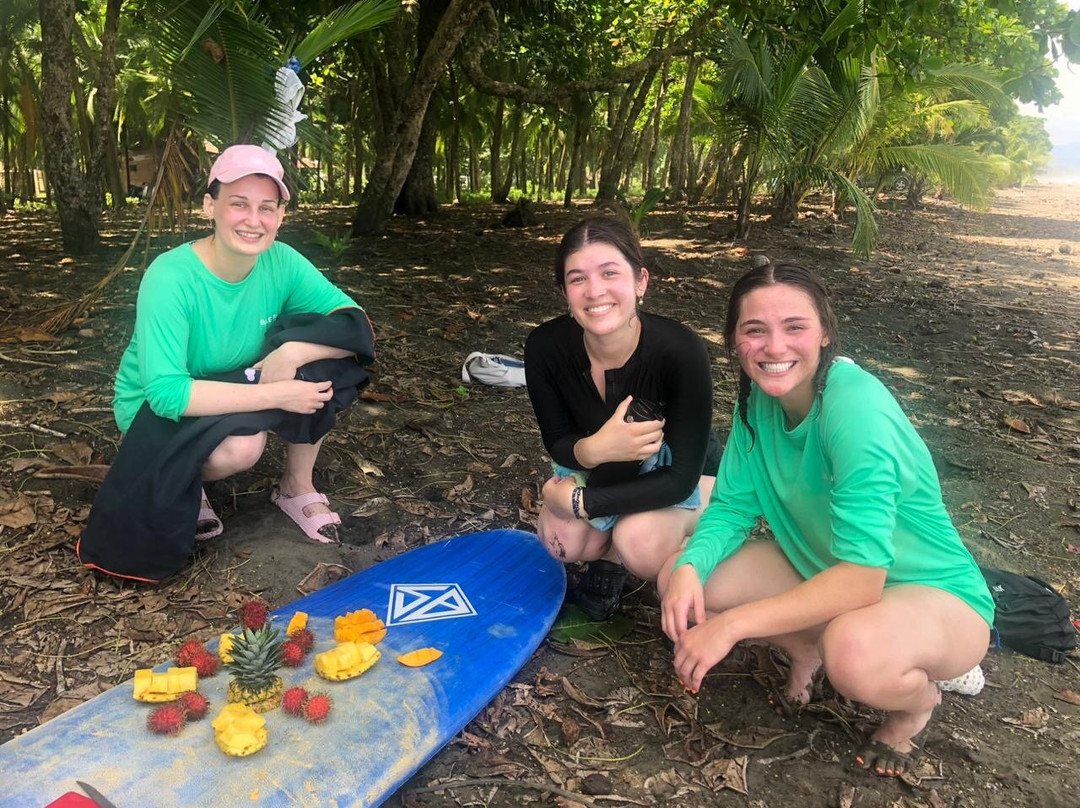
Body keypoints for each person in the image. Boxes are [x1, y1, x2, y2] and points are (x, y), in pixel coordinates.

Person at [659, 262, 994, 777]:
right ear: (734, 342)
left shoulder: (854, 407)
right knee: (687, 576)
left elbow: (863, 577)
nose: (775, 347)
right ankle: (806, 648)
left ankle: (915, 706)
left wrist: (732, 627)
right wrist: (689, 567)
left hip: (930, 592)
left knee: (854, 652)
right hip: (823, 567)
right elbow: (730, 506)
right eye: (755, 330)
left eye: (795, 327)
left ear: (825, 333)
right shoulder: (756, 401)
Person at [111, 144, 364, 544]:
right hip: (158, 405)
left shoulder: (281, 261)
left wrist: (294, 352)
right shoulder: (171, 276)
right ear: (210, 207)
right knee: (240, 449)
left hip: (239, 379)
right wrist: (279, 394)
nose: (253, 220)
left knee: (322, 363)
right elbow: (166, 393)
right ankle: (182, 482)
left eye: (267, 207)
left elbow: (354, 325)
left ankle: (296, 486)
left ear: (281, 215)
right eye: (238, 204)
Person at [524, 216, 720, 621]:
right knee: (562, 539)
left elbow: (680, 477)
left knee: (639, 541)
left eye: (610, 273)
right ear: (564, 291)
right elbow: (557, 439)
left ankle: (627, 554)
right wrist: (593, 450)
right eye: (577, 279)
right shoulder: (544, 346)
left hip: (683, 473)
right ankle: (605, 541)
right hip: (602, 468)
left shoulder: (680, 350)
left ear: (640, 281)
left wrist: (581, 501)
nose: (594, 291)